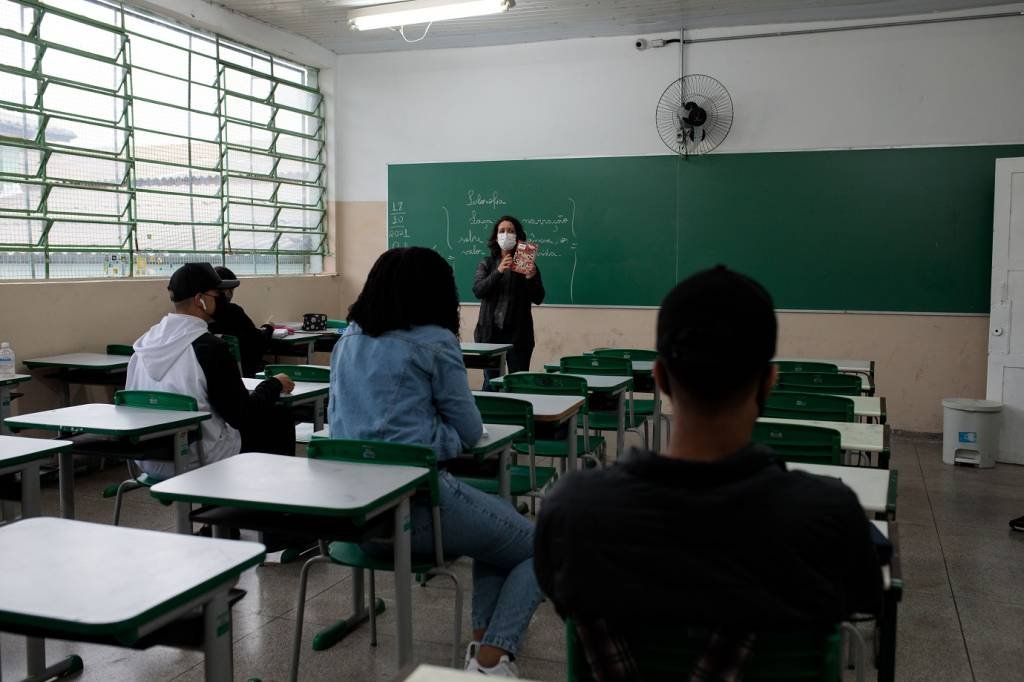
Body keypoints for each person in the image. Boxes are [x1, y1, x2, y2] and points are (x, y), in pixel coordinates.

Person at [534, 266, 883, 678]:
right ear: (769, 382)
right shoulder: (827, 515)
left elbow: (556, 589)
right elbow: (865, 597)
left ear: (660, 378)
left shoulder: (573, 512)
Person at [329, 247, 542, 677]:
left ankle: (485, 646)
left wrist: (422, 434)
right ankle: (492, 659)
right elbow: (467, 430)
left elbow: (340, 428)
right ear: (435, 293)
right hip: (419, 510)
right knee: (545, 548)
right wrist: (436, 435)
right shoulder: (436, 341)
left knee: (498, 532)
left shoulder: (347, 339)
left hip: (356, 517)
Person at [126, 263, 296, 480]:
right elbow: (243, 415)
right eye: (218, 294)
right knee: (279, 420)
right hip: (199, 458)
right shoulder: (208, 348)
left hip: (147, 457)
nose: (224, 298)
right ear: (200, 300)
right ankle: (264, 507)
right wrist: (274, 384)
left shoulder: (144, 345)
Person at [473, 216, 544, 387]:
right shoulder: (487, 263)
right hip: (490, 334)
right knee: (491, 383)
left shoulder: (526, 262)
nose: (506, 234)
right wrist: (498, 272)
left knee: (518, 384)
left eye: (511, 231)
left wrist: (530, 278)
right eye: (502, 231)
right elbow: (478, 290)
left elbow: (539, 297)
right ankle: (489, 413)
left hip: (519, 336)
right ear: (496, 237)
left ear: (518, 236)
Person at [207, 265, 274, 378]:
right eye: (231, 289)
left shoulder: (198, 316)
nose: (231, 294)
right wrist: (268, 328)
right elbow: (257, 343)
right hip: (244, 373)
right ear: (226, 290)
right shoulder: (233, 312)